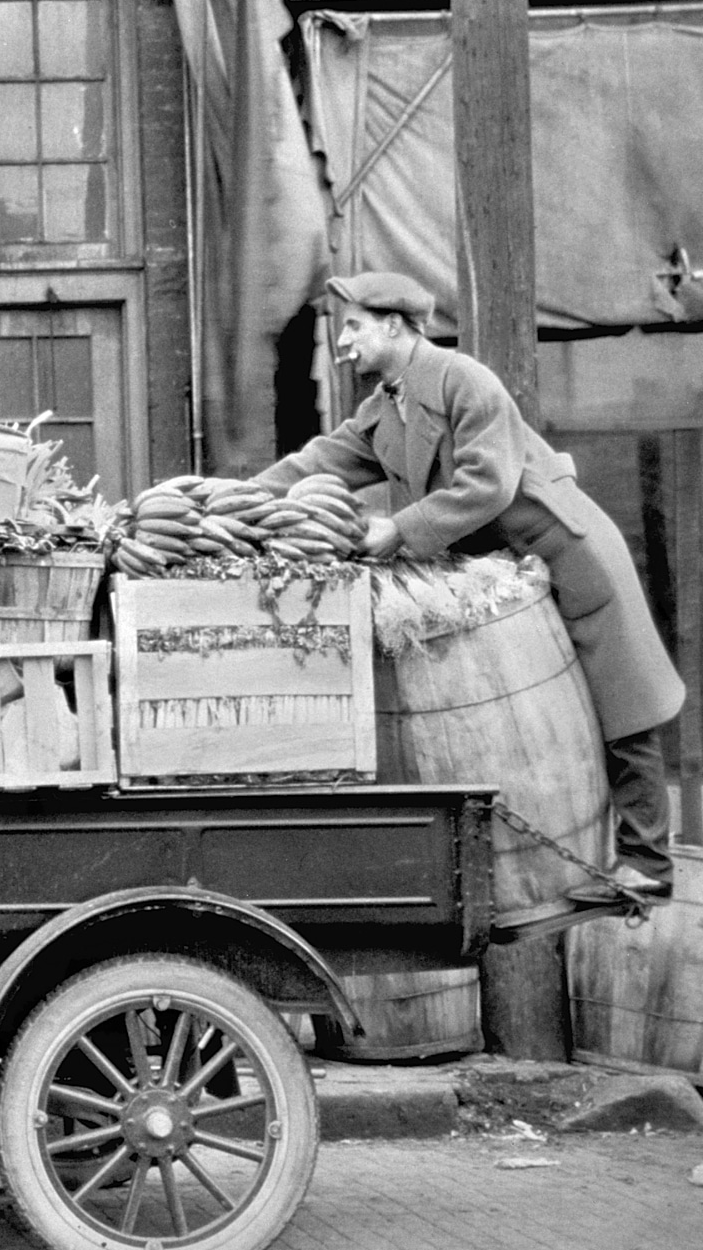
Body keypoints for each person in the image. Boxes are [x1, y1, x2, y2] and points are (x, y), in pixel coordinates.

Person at [256, 271, 686, 901]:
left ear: (394, 325)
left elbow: (489, 486)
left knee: (624, 705)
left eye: (353, 325)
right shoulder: (385, 409)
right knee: (549, 715)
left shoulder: (465, 382)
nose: (343, 342)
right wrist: (233, 499)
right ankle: (581, 862)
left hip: (566, 549)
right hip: (511, 575)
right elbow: (317, 462)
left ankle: (648, 865)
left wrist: (398, 530)